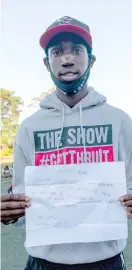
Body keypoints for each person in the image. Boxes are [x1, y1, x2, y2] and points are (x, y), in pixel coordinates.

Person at [1, 16, 132, 270]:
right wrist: (10, 212)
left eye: (77, 50)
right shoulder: (30, 126)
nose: (67, 58)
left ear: (91, 59)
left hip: (105, 262)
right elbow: (21, 199)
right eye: (57, 51)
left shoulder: (119, 121)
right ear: (46, 62)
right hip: (44, 262)